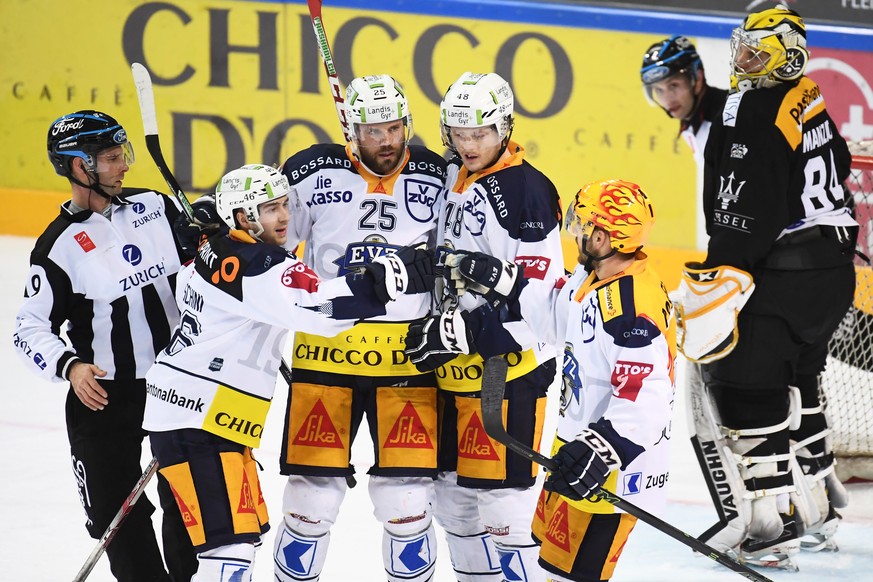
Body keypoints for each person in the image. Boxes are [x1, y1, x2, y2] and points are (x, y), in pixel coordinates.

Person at [143, 163, 433, 581]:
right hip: (199, 421)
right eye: (269, 210)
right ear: (242, 217)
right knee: (228, 555)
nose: (283, 218)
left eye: (284, 205)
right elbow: (323, 310)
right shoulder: (259, 264)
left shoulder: (216, 246)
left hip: (201, 414)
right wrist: (389, 278)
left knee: (236, 548)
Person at [678, 5, 856, 570]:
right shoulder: (808, 93)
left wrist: (722, 274)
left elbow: (743, 208)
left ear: (788, 51)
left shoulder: (749, 107)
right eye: (744, 48)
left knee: (747, 391)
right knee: (801, 384)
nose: (745, 59)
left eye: (759, 51)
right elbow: (843, 164)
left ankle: (767, 526)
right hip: (831, 276)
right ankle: (822, 506)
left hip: (781, 277)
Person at [439, 179, 675, 582]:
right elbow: (560, 320)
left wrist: (600, 451)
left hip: (611, 468)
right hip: (576, 450)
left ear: (602, 237)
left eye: (582, 225)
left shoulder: (631, 312)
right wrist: (511, 283)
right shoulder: (596, 277)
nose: (575, 231)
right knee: (549, 567)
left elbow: (646, 398)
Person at [274, 74, 447, 582]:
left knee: (408, 499)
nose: (387, 141)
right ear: (351, 128)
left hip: (410, 358)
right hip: (326, 354)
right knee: (310, 496)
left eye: (394, 128)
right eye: (373, 131)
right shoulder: (308, 171)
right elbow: (274, 251)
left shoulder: (440, 176)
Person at [12, 110, 196, 581]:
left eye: (123, 155)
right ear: (78, 166)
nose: (124, 166)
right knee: (117, 523)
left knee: (191, 506)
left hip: (177, 387)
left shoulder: (157, 207)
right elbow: (28, 327)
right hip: (106, 399)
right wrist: (70, 366)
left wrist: (210, 233)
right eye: (112, 159)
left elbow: (208, 267)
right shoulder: (58, 247)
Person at [404, 71, 565, 582]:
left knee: (502, 502)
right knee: (452, 496)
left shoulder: (530, 192)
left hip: (506, 366)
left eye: (480, 134)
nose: (469, 145)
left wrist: (466, 333)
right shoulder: (452, 175)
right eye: (459, 133)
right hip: (452, 367)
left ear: (505, 128)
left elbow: (540, 302)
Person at [641, 34, 727, 250]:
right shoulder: (693, 120)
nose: (668, 97)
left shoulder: (721, 122)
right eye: (659, 90)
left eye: (674, 85)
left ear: (696, 78)